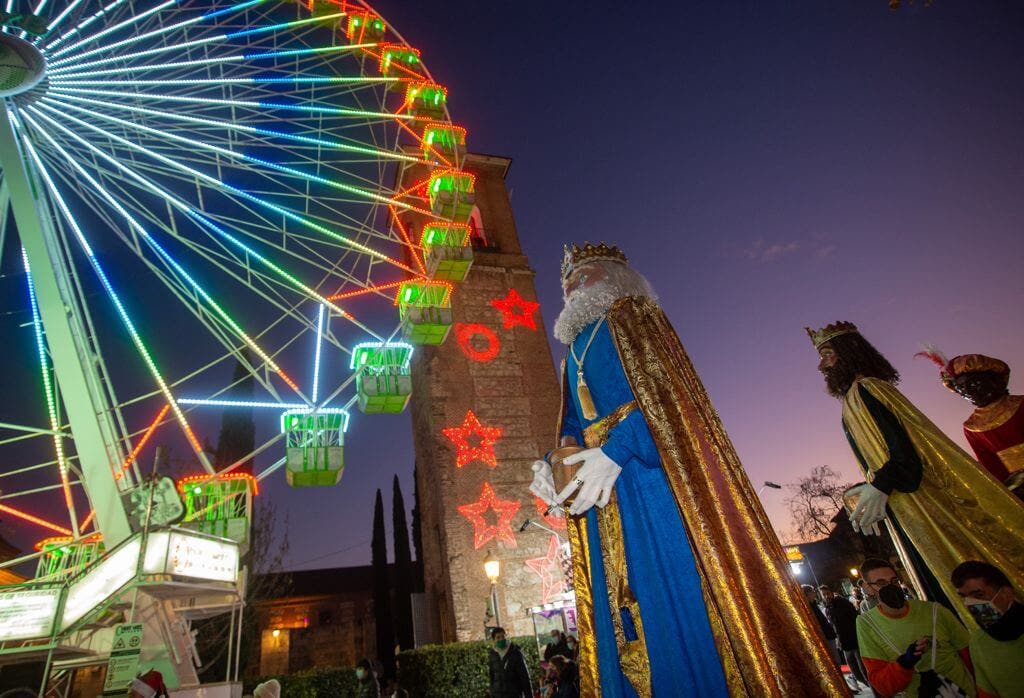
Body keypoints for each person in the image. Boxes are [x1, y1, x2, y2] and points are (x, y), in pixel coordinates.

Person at [530, 243, 845, 696]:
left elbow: (668, 399)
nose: (570, 287)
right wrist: (552, 464)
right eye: (566, 283)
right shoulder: (569, 357)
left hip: (652, 479)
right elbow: (572, 428)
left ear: (617, 275)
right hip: (602, 493)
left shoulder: (633, 316)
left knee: (675, 595)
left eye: (584, 275)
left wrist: (617, 450)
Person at [807, 321, 1024, 623]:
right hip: (906, 507)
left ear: (848, 353)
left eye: (827, 354)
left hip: (923, 504)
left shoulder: (869, 389)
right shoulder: (855, 398)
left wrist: (880, 484)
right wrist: (868, 486)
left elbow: (907, 457)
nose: (821, 366)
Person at [856, 558, 974, 697]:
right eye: (881, 583)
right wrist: (904, 663)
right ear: (868, 588)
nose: (891, 587)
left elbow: (970, 654)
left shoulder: (935, 610)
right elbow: (882, 685)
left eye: (894, 581)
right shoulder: (866, 623)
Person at [916, 349, 1024, 493]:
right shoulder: (972, 427)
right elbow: (992, 468)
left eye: (973, 383)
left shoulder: (1021, 403)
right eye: (961, 388)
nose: (968, 391)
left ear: (994, 379)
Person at [952, 561, 1024, 698]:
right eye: (965, 598)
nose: (971, 605)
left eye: (978, 595)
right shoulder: (979, 643)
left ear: (1006, 593)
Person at [821, 585, 872, 691]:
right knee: (855, 671)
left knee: (863, 669)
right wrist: (837, 639)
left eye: (827, 593)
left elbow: (855, 618)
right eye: (823, 595)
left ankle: (876, 689)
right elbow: (834, 626)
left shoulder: (843, 603)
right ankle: (870, 686)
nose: (826, 596)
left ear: (831, 593)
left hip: (855, 639)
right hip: (844, 643)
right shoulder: (828, 609)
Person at [487, 627, 532, 698]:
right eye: (498, 637)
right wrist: (492, 692)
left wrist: (528, 695)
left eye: (503, 636)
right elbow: (492, 676)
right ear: (494, 640)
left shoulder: (515, 652)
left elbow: (524, 677)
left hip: (514, 694)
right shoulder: (492, 655)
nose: (501, 639)